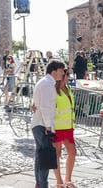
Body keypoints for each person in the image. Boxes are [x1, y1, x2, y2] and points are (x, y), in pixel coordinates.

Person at [31, 60, 65, 188]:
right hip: (42, 125)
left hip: (40, 124)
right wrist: (49, 127)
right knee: (45, 157)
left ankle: (40, 184)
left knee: (41, 157)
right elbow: (45, 107)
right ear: (54, 71)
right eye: (61, 71)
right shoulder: (47, 84)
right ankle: (42, 184)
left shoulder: (45, 82)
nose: (63, 73)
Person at [53, 69, 76, 188]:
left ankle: (68, 179)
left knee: (72, 153)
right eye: (67, 75)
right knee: (57, 155)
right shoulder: (54, 91)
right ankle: (59, 181)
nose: (68, 77)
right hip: (57, 128)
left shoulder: (69, 89)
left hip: (68, 127)